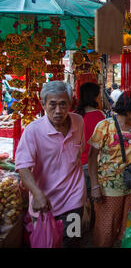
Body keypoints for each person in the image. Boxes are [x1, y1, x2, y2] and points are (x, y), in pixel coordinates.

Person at [15, 81, 86, 248]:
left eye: (63, 104)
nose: (59, 111)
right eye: (52, 105)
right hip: (44, 202)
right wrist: (37, 193)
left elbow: (78, 153)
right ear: (43, 104)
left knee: (72, 241)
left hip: (73, 200)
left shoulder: (78, 122)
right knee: (46, 243)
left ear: (70, 103)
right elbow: (22, 166)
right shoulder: (33, 131)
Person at [88, 91, 131, 247]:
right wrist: (94, 186)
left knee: (128, 229)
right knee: (106, 229)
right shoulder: (104, 126)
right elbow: (92, 158)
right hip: (109, 189)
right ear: (127, 109)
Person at [74, 82, 106, 230]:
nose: (101, 98)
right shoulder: (99, 115)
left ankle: (77, 229)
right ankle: (92, 228)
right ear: (94, 96)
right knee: (95, 199)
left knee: (79, 200)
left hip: (76, 165)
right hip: (93, 164)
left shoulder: (75, 115)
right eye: (99, 95)